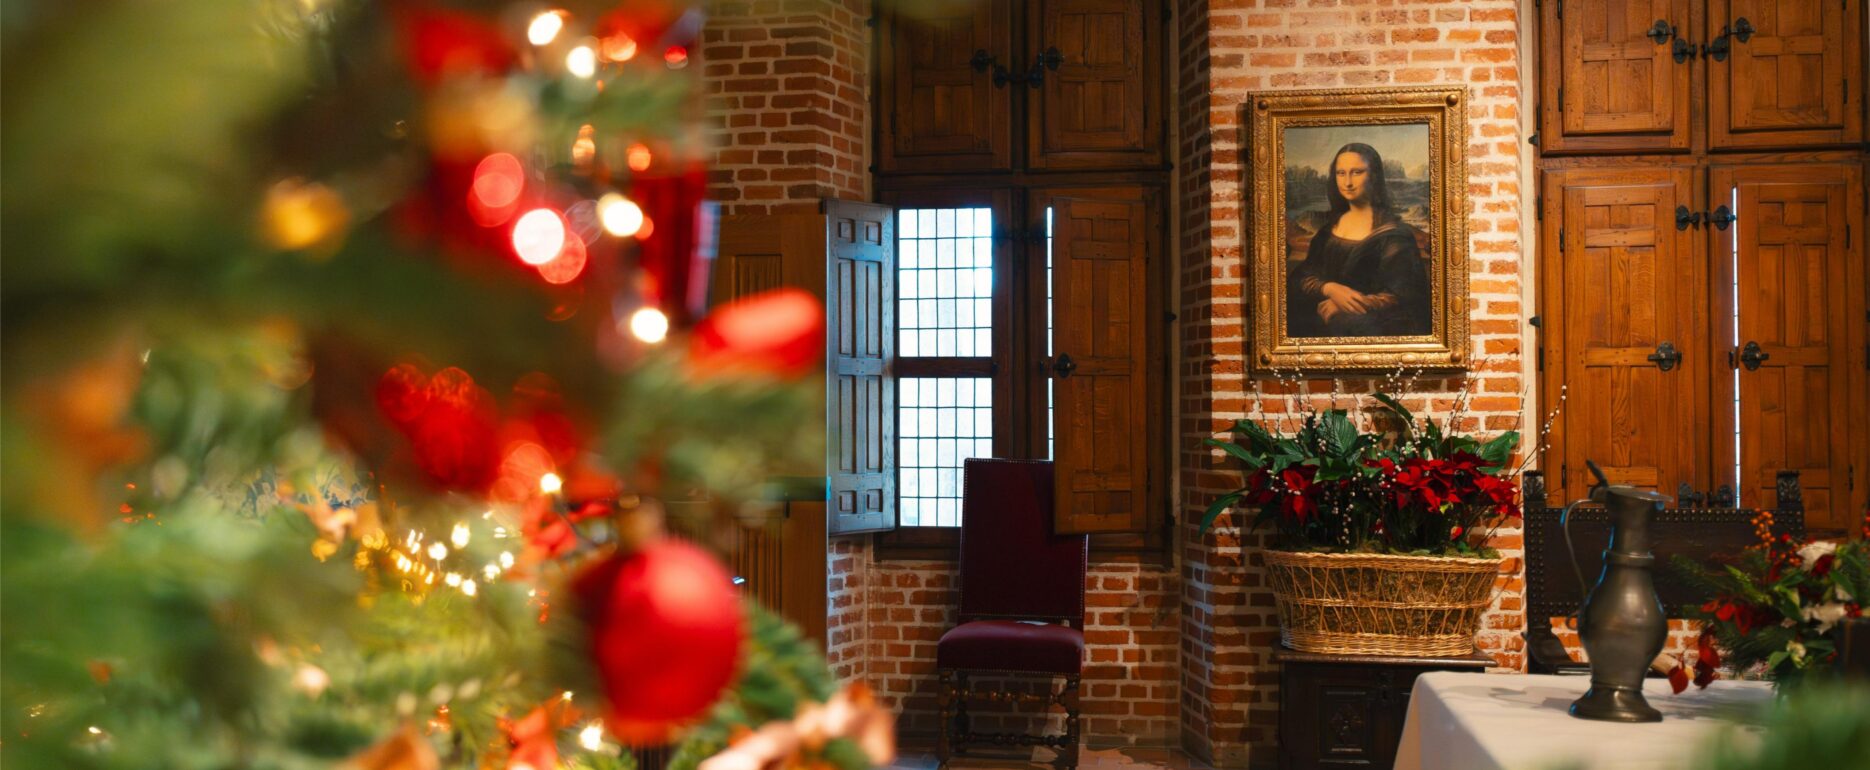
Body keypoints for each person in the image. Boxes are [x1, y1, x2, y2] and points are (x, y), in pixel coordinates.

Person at [1286, 142, 1432, 338]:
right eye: (1340, 173)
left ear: (1373, 176)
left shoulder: (1395, 235)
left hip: (1373, 333)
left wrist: (1347, 305)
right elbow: (1302, 277)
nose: (1347, 182)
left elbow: (1404, 298)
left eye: (1357, 172)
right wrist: (1329, 288)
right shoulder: (1328, 230)